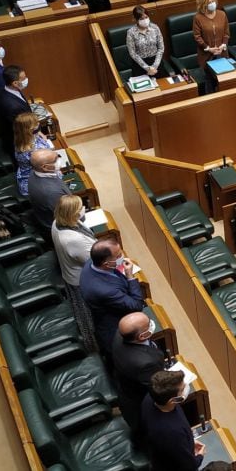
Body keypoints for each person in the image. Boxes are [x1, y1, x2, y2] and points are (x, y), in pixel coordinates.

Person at [79, 238, 146, 354]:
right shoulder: (105, 291)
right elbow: (137, 305)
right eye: (118, 255)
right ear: (106, 264)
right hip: (115, 325)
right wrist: (130, 276)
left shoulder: (92, 262)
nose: (123, 257)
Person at [51, 194, 99, 353]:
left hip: (72, 272)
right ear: (71, 214)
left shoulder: (58, 223)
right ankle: (94, 347)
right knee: (88, 318)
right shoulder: (72, 240)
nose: (83, 210)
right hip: (81, 281)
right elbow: (95, 260)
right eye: (79, 208)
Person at [139, 370, 205, 470]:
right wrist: (200, 456)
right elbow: (188, 466)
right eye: (182, 389)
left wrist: (189, 442)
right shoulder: (172, 432)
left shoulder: (150, 398)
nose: (186, 388)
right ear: (173, 400)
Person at [112, 311, 166, 430]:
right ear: (142, 336)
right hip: (139, 402)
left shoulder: (120, 333)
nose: (152, 324)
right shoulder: (146, 364)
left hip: (126, 386)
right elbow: (159, 387)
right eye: (149, 325)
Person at [192, 0, 229, 95]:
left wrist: (223, 45)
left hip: (222, 52)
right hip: (206, 54)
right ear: (203, 5)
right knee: (210, 82)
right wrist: (208, 48)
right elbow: (197, 36)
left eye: (213, 1)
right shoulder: (198, 18)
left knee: (224, 79)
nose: (212, 4)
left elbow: (226, 33)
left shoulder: (222, 14)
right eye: (209, 2)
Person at [27, 149, 72, 232]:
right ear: (45, 167)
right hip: (61, 226)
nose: (59, 159)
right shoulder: (52, 193)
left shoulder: (34, 172)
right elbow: (68, 217)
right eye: (56, 159)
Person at [13, 111, 53, 196]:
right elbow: (47, 169)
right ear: (31, 129)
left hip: (25, 175)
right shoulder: (36, 150)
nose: (38, 124)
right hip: (36, 184)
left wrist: (39, 134)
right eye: (36, 123)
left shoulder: (20, 137)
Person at [0, 65, 31, 146]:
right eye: (23, 79)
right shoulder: (13, 107)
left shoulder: (4, 89)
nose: (26, 80)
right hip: (21, 141)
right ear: (15, 83)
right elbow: (23, 129)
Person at [126, 5, 167, 78]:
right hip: (140, 66)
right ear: (136, 19)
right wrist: (147, 68)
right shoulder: (131, 32)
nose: (145, 20)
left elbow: (161, 48)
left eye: (146, 17)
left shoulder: (155, 27)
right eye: (141, 18)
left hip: (156, 62)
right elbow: (133, 53)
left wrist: (155, 66)